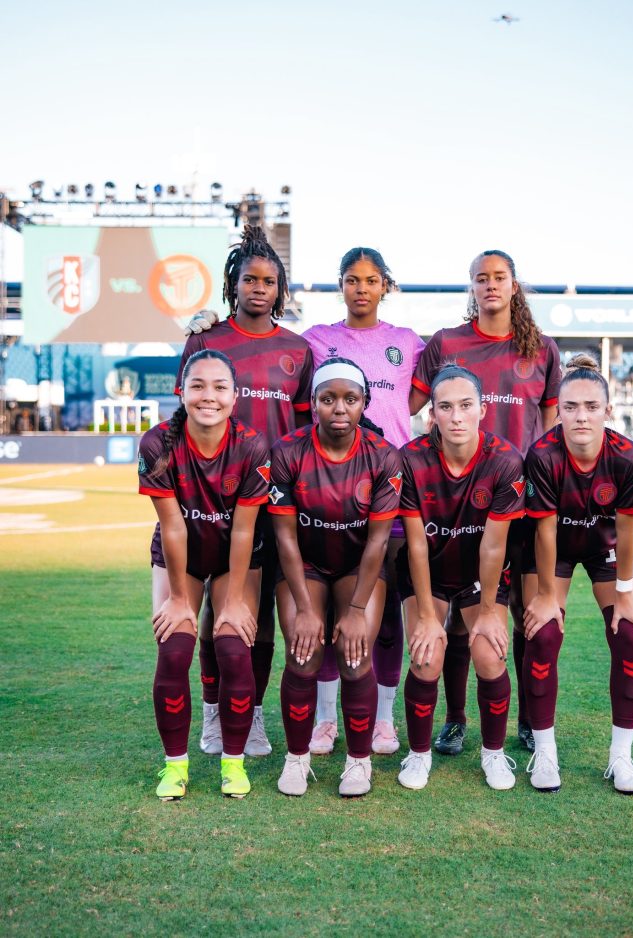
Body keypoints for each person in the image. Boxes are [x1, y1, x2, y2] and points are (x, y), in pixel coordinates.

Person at [409, 250, 560, 755]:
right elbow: (397, 405)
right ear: (470, 287)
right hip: (458, 507)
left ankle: (525, 721)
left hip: (523, 502)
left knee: (524, 613)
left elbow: (553, 429)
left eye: (499, 278)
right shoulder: (447, 343)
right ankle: (454, 719)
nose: (490, 285)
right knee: (454, 615)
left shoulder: (542, 350)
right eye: (481, 278)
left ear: (515, 286)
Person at [176, 225, 313, 759]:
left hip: (277, 504)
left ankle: (251, 716)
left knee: (255, 618)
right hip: (210, 501)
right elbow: (183, 416)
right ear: (233, 283)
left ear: (281, 289)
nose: (260, 288)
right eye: (250, 279)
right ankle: (214, 714)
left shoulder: (297, 350)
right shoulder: (204, 341)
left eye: (270, 281)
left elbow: (303, 432)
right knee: (214, 609)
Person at [302, 247, 424, 757]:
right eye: (352, 280)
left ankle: (384, 720)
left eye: (371, 280)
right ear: (341, 285)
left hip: (389, 489)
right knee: (334, 610)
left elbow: (413, 400)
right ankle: (327, 720)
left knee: (389, 613)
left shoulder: (408, 343)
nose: (361, 289)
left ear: (385, 286)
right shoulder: (316, 340)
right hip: (331, 494)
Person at [138, 349, 270, 800]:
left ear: (235, 396)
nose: (208, 396)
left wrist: (233, 598)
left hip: (237, 553)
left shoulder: (252, 445)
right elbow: (173, 526)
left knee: (234, 646)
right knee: (174, 648)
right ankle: (175, 767)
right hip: (183, 558)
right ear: (181, 391)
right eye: (197, 386)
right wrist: (179, 598)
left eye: (219, 387)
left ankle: (232, 764)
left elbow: (244, 529)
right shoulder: (157, 443)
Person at [268, 358, 402, 797]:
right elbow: (285, 538)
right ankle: (296, 759)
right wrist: (307, 610)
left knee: (354, 654)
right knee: (302, 654)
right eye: (328, 399)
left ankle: (358, 763)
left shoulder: (383, 456)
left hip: (357, 564)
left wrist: (357, 609)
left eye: (350, 398)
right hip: (304, 563)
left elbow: (379, 542)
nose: (339, 408)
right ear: (313, 403)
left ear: (365, 403)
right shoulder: (288, 451)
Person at [522, 354, 633, 794]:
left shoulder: (629, 456)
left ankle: (621, 758)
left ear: (608, 411)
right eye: (572, 406)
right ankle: (545, 754)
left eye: (591, 407)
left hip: (606, 549)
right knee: (542, 633)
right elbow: (542, 531)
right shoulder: (541, 454)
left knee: (631, 633)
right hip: (552, 548)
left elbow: (629, 529)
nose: (581, 416)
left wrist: (626, 590)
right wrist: (543, 595)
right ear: (558, 409)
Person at [398, 365, 525, 790]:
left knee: (489, 653)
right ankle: (417, 756)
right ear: (431, 413)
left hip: (478, 575)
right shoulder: (411, 459)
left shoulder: (505, 461)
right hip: (426, 573)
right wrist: (427, 617)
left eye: (465, 406)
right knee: (427, 653)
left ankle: (493, 754)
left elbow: (493, 546)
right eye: (446, 407)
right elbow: (416, 544)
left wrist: (489, 611)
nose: (456, 416)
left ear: (482, 410)